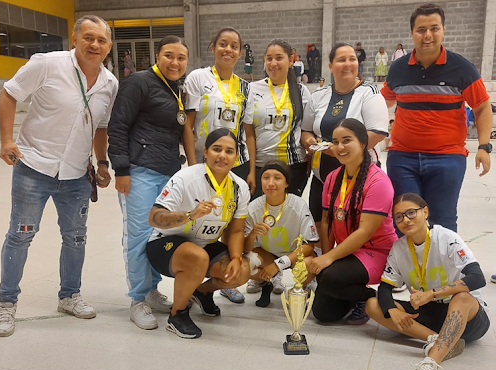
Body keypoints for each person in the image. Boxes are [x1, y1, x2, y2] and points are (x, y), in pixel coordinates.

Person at [0, 15, 118, 337]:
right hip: (33, 167)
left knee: (76, 238)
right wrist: (7, 140)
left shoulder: (110, 83)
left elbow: (100, 127)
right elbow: (9, 93)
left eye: (101, 40)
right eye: (88, 37)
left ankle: (69, 296)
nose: (94, 45)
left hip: (76, 175)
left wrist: (102, 163)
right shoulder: (47, 64)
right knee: (20, 235)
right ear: (75, 39)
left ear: (109, 47)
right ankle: (6, 302)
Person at [381, 3, 492, 233]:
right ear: (411, 33)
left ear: (443, 30)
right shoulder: (398, 69)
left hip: (447, 158)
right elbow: (383, 102)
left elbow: (482, 107)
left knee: (442, 222)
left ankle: (442, 258)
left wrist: (483, 146)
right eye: (421, 30)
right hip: (403, 158)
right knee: (404, 220)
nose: (428, 35)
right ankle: (407, 259)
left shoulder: (462, 68)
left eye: (434, 28)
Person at [366, 193, 490, 370]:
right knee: (373, 305)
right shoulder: (399, 247)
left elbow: (477, 277)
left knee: (462, 297)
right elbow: (385, 288)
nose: (405, 220)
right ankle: (436, 340)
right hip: (431, 313)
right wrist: (392, 311)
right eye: (399, 217)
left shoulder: (446, 238)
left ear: (425, 212)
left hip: (467, 317)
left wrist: (432, 294)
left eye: (411, 213)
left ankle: (430, 366)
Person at [108, 36, 189, 330]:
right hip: (139, 171)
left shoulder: (175, 88)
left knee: (157, 235)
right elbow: (118, 125)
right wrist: (121, 169)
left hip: (167, 173)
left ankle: (152, 291)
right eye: (169, 55)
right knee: (139, 235)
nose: (175, 62)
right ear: (157, 56)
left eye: (181, 58)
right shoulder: (138, 82)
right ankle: (138, 299)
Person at [146, 128, 251, 339]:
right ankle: (177, 315)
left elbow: (237, 230)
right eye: (216, 149)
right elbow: (154, 217)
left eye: (229, 151)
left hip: (204, 244)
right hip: (165, 243)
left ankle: (202, 292)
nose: (222, 155)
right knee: (197, 257)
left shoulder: (239, 187)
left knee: (243, 270)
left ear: (236, 157)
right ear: (205, 151)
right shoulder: (186, 178)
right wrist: (190, 215)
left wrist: (236, 258)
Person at [183, 27, 254, 304]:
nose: (228, 50)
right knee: (200, 218)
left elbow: (248, 132)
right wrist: (193, 164)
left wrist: (250, 170)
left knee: (229, 221)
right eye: (223, 44)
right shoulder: (198, 78)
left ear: (240, 52)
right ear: (213, 47)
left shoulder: (245, 87)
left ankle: (223, 280)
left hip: (234, 163)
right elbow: (188, 125)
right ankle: (191, 275)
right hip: (204, 163)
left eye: (234, 46)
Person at [306, 119, 398, 325]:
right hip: (349, 251)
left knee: (330, 277)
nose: (340, 147)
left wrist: (329, 259)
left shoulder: (378, 182)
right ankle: (352, 295)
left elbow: (365, 232)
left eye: (347, 140)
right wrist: (326, 257)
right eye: (335, 142)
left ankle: (369, 297)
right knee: (323, 314)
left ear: (363, 143)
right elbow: (326, 222)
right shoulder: (332, 178)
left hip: (378, 252)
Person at [301, 43, 388, 253]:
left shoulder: (369, 93)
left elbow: (376, 133)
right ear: (330, 66)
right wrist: (310, 142)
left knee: (354, 228)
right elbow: (306, 130)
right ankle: (322, 265)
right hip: (322, 177)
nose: (348, 64)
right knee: (321, 227)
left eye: (352, 59)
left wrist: (339, 150)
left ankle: (352, 266)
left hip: (358, 178)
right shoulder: (319, 95)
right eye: (341, 60)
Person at [244, 39, 311, 201]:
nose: (273, 63)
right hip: (262, 166)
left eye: (279, 58)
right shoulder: (252, 89)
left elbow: (306, 130)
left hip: (294, 166)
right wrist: (251, 170)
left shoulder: (301, 91)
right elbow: (249, 134)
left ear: (291, 60)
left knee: (289, 212)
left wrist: (311, 148)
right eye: (269, 58)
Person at [244, 160, 318, 301]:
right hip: (267, 254)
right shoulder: (253, 208)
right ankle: (266, 281)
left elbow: (309, 245)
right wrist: (252, 234)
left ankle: (301, 286)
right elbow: (245, 249)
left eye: (277, 178)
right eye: (266, 177)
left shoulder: (298, 205)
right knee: (244, 265)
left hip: (293, 254)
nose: (271, 183)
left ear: (286, 183)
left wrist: (278, 264)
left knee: (310, 264)